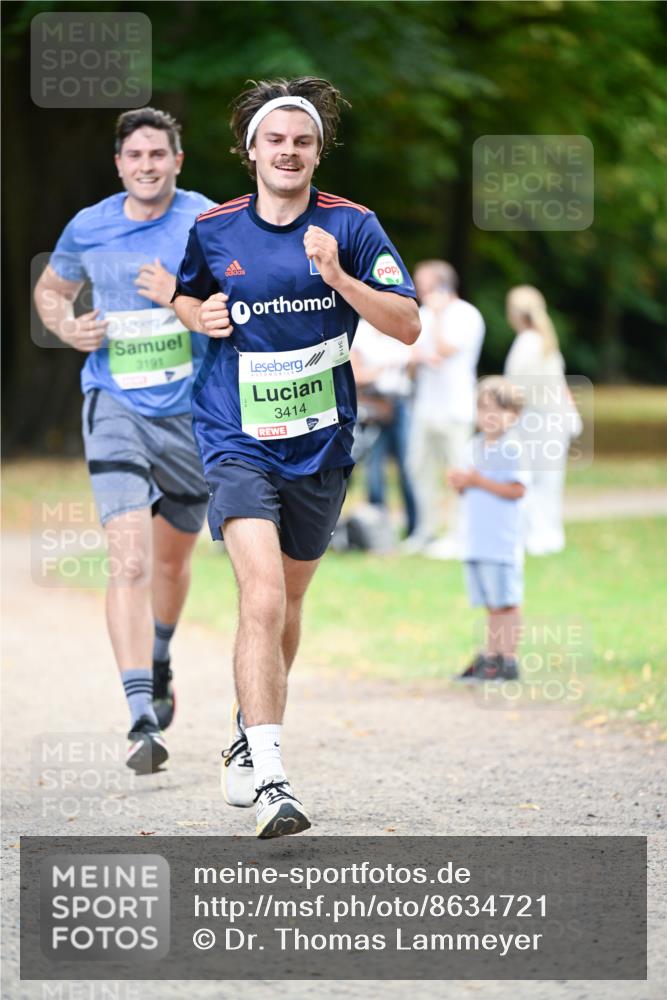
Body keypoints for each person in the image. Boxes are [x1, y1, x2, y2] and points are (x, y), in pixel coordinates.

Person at [173, 76, 420, 839]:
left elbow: (407, 324)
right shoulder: (214, 229)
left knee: (290, 598)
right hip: (234, 434)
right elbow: (186, 295)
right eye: (274, 140)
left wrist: (338, 277)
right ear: (250, 150)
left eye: (302, 141)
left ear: (318, 152)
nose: (288, 151)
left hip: (320, 442)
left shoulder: (351, 225)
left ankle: (247, 728)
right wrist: (198, 311)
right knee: (262, 595)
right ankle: (274, 778)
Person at [34, 108, 216, 775]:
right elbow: (52, 290)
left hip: (191, 414)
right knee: (130, 561)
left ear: (177, 160)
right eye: (134, 156)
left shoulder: (207, 220)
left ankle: (160, 655)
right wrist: (66, 326)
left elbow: (236, 299)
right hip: (113, 402)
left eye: (157, 155)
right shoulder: (90, 224)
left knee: (170, 563)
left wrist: (181, 301)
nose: (146, 166)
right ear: (119, 164)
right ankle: (140, 714)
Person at [448, 377, 529, 681]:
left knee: (506, 603)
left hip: (502, 541)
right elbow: (469, 488)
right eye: (483, 409)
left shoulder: (513, 448)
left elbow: (518, 489)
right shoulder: (473, 446)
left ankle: (509, 659)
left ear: (515, 415)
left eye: (498, 409)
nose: (489, 416)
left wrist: (476, 481)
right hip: (477, 540)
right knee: (491, 604)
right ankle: (490, 655)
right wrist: (460, 484)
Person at [406, 260, 485, 556]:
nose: (417, 288)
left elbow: (443, 350)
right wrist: (415, 359)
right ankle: (424, 531)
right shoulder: (422, 314)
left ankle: (458, 534)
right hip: (425, 406)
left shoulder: (466, 315)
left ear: (441, 284)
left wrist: (437, 318)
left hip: (456, 408)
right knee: (418, 469)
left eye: (423, 282)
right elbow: (412, 361)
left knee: (457, 472)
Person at [504, 285, 581, 555]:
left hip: (537, 420)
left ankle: (539, 534)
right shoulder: (544, 340)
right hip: (552, 419)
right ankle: (546, 533)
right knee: (548, 479)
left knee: (534, 478)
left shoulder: (527, 343)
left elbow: (516, 390)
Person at [350, 318, 417, 538]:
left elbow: (414, 363)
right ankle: (378, 531)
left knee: (408, 467)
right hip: (374, 403)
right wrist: (383, 368)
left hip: (400, 401)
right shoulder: (361, 331)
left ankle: (414, 528)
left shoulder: (400, 324)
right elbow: (355, 374)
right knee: (374, 469)